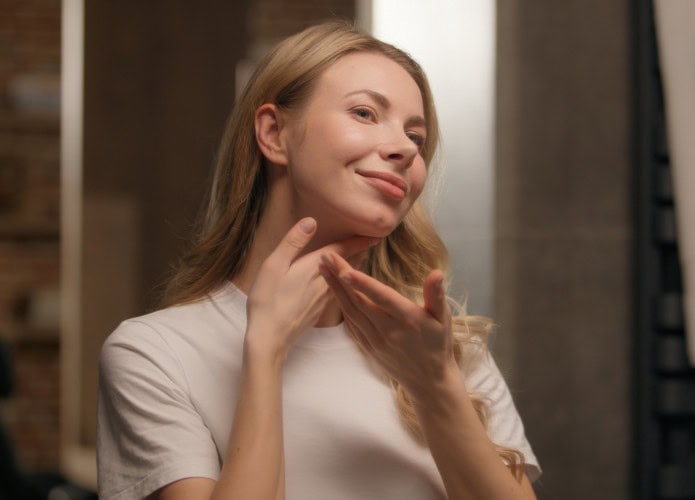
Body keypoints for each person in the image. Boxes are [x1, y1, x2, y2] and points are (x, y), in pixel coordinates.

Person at [96, 21, 541, 500]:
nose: (404, 148)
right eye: (365, 113)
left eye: (416, 136)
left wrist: (436, 385)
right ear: (274, 134)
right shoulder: (153, 355)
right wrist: (265, 350)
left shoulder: (443, 347)